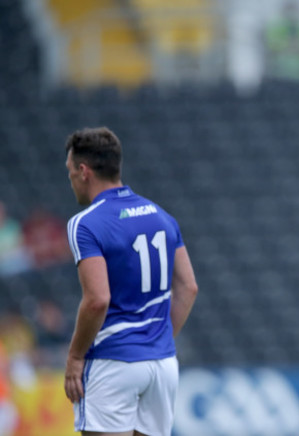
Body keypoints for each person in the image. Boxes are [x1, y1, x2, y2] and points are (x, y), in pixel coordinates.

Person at [63, 127, 198, 436]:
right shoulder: (161, 216)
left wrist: (74, 357)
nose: (70, 180)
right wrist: (155, 340)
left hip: (113, 363)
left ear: (84, 172)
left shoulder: (85, 224)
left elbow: (97, 300)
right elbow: (189, 288)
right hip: (162, 365)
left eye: (70, 172)